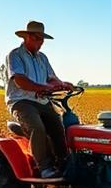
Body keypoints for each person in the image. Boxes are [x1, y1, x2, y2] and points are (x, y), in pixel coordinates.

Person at [5, 20, 75, 179]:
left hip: (42, 101)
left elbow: (51, 79)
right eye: (37, 38)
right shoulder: (15, 55)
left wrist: (62, 84)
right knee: (38, 128)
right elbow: (20, 81)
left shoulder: (42, 58)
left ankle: (64, 163)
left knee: (59, 127)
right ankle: (44, 167)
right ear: (27, 37)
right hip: (21, 101)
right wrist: (42, 88)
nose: (41, 42)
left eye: (42, 39)